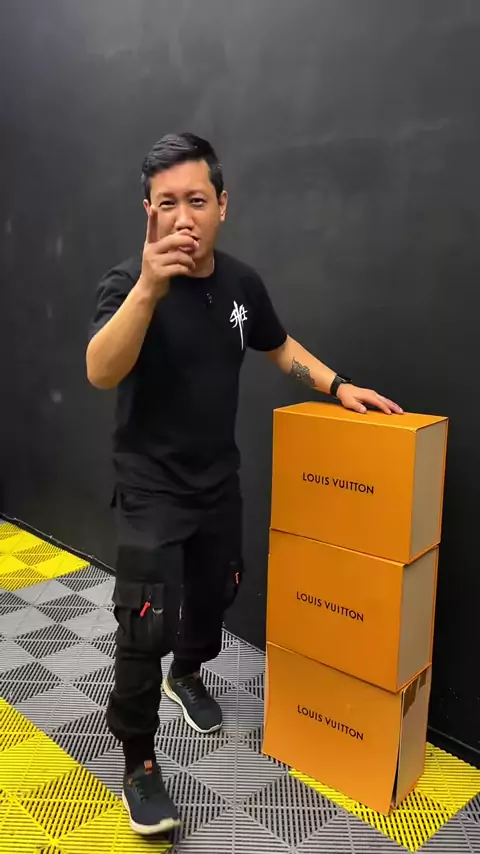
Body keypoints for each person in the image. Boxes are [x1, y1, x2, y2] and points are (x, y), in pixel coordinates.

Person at [86, 132, 402, 837]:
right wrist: (148, 288)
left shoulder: (241, 284)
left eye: (197, 200)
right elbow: (101, 370)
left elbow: (278, 346)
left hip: (216, 481)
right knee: (145, 622)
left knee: (218, 590)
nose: (183, 218)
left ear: (223, 205)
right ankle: (139, 762)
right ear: (148, 211)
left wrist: (338, 386)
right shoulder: (127, 283)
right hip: (150, 488)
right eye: (167, 203)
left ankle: (188, 672)